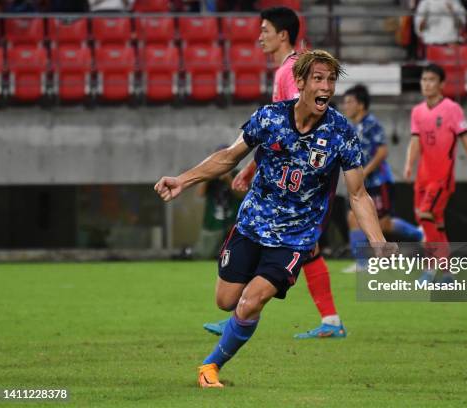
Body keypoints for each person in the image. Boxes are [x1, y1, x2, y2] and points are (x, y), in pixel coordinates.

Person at [154, 50, 389, 388]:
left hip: (295, 238)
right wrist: (183, 180)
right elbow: (228, 158)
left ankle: (210, 367)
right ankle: (243, 313)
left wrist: (377, 242)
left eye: (331, 80)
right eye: (318, 79)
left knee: (251, 302)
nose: (326, 87)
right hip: (251, 224)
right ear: (301, 83)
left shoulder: (341, 133)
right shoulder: (269, 118)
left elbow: (358, 194)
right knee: (226, 302)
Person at [203, 7, 349, 340]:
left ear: (283, 34)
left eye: (265, 30)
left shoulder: (290, 73)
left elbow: (298, 132)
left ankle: (248, 312)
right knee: (307, 250)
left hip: (302, 187)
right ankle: (328, 319)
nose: (259, 36)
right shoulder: (288, 69)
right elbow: (282, 135)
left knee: (297, 248)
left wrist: (252, 168)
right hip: (296, 183)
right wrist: (254, 167)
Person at [404, 64, 467, 284]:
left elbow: (466, 140)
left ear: (441, 84)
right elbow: (415, 140)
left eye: (431, 80)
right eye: (424, 80)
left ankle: (432, 270)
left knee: (425, 215)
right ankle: (447, 274)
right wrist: (409, 164)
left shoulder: (452, 109)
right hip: (423, 176)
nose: (426, 84)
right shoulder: (417, 111)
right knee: (433, 225)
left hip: (442, 177)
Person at [341, 84, 423, 273]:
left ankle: (420, 234)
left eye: (349, 102)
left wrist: (365, 171)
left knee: (383, 224)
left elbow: (382, 151)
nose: (345, 106)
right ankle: (362, 263)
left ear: (360, 105)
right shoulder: (351, 127)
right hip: (360, 184)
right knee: (353, 218)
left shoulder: (372, 124)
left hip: (379, 182)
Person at [193, 167, 243, 259]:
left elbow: (241, 194)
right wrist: (209, 176)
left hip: (233, 223)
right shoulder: (211, 177)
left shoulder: (236, 174)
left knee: (233, 256)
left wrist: (228, 179)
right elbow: (200, 193)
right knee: (205, 255)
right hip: (212, 224)